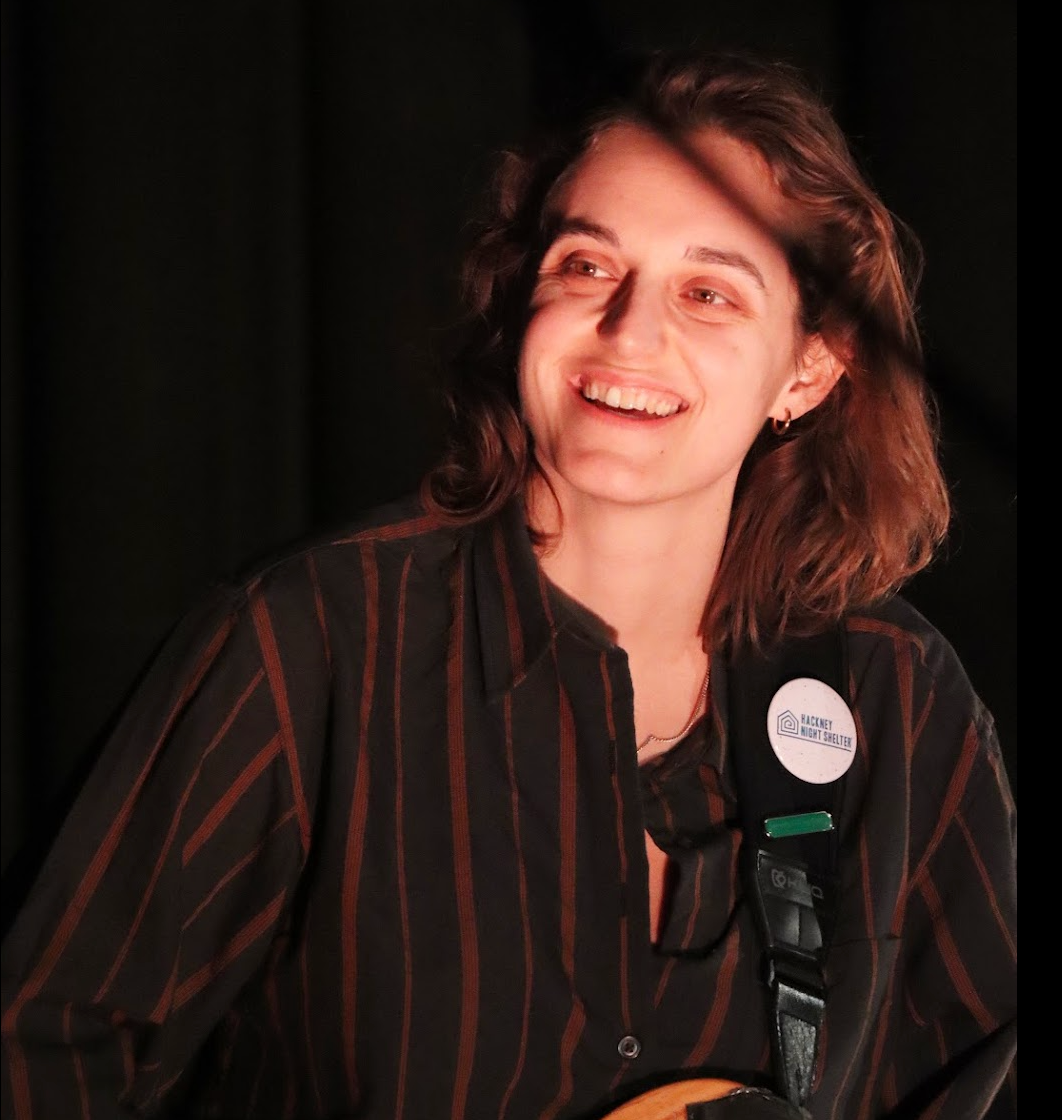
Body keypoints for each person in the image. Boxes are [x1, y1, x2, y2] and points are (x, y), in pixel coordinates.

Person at [1, 48, 1016, 1120]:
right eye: (586, 266)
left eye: (709, 291)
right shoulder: (315, 644)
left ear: (808, 368)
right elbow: (41, 1043)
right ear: (521, 296)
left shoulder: (900, 699)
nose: (631, 330)